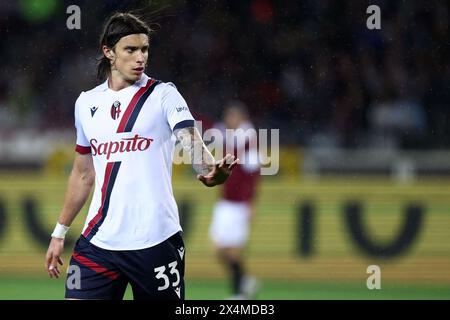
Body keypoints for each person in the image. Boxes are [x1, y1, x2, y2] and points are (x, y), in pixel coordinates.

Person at [44, 12, 238, 300]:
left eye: (144, 49)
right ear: (108, 52)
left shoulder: (164, 95)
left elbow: (191, 141)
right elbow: (83, 174)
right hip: (98, 242)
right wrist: (59, 232)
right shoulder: (86, 103)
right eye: (130, 49)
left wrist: (211, 169)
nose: (140, 58)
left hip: (156, 241)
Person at [209, 101, 260, 299]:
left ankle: (239, 293)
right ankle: (246, 281)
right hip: (225, 202)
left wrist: (251, 203)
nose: (229, 120)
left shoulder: (249, 141)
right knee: (218, 248)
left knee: (233, 251)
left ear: (241, 118)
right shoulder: (226, 137)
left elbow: (253, 174)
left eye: (233, 116)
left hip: (239, 204)